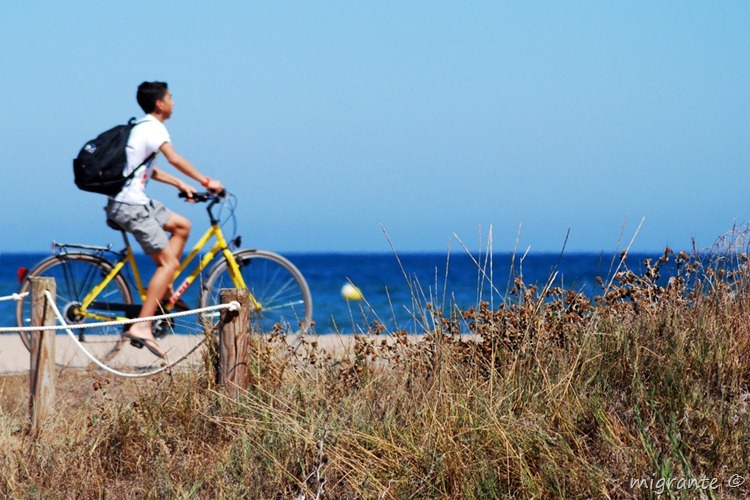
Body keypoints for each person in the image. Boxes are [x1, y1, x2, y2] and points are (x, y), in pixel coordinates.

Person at [106, 81, 223, 358]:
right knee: (169, 262)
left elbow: (149, 171)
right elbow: (174, 158)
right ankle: (142, 326)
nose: (173, 101)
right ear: (160, 103)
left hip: (136, 202)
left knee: (183, 225)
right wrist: (207, 181)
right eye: (170, 97)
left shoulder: (140, 127)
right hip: (131, 206)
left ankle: (166, 288)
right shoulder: (154, 127)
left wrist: (180, 185)